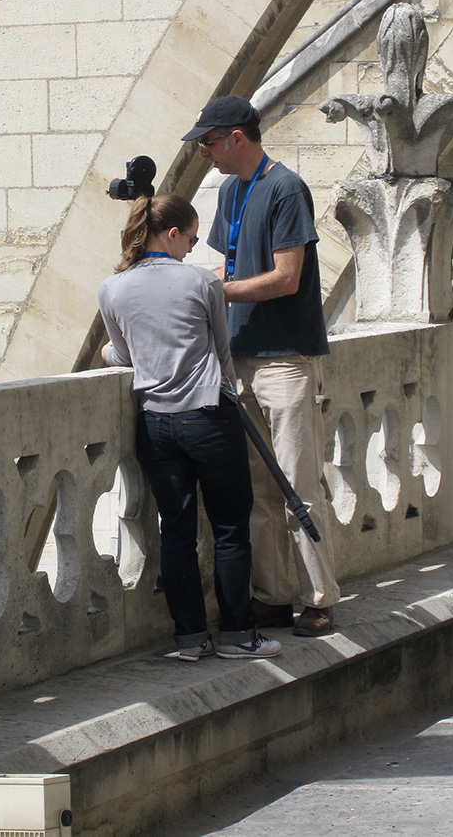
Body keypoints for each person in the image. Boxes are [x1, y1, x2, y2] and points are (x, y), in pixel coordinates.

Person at [98, 192, 281, 661]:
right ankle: (238, 634)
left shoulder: (111, 288)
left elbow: (122, 354)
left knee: (175, 531)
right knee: (228, 529)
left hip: (155, 424)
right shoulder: (202, 284)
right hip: (208, 417)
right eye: (192, 239)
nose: (192, 249)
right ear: (173, 233)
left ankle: (189, 638)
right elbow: (221, 351)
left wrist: (108, 356)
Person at [182, 94, 340, 637]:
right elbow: (228, 261)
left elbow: (286, 277)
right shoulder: (231, 190)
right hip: (242, 357)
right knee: (257, 491)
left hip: (286, 358)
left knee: (298, 482)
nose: (204, 152)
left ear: (236, 138)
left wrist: (217, 291)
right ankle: (273, 596)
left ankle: (318, 597)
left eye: (208, 141)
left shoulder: (285, 187)